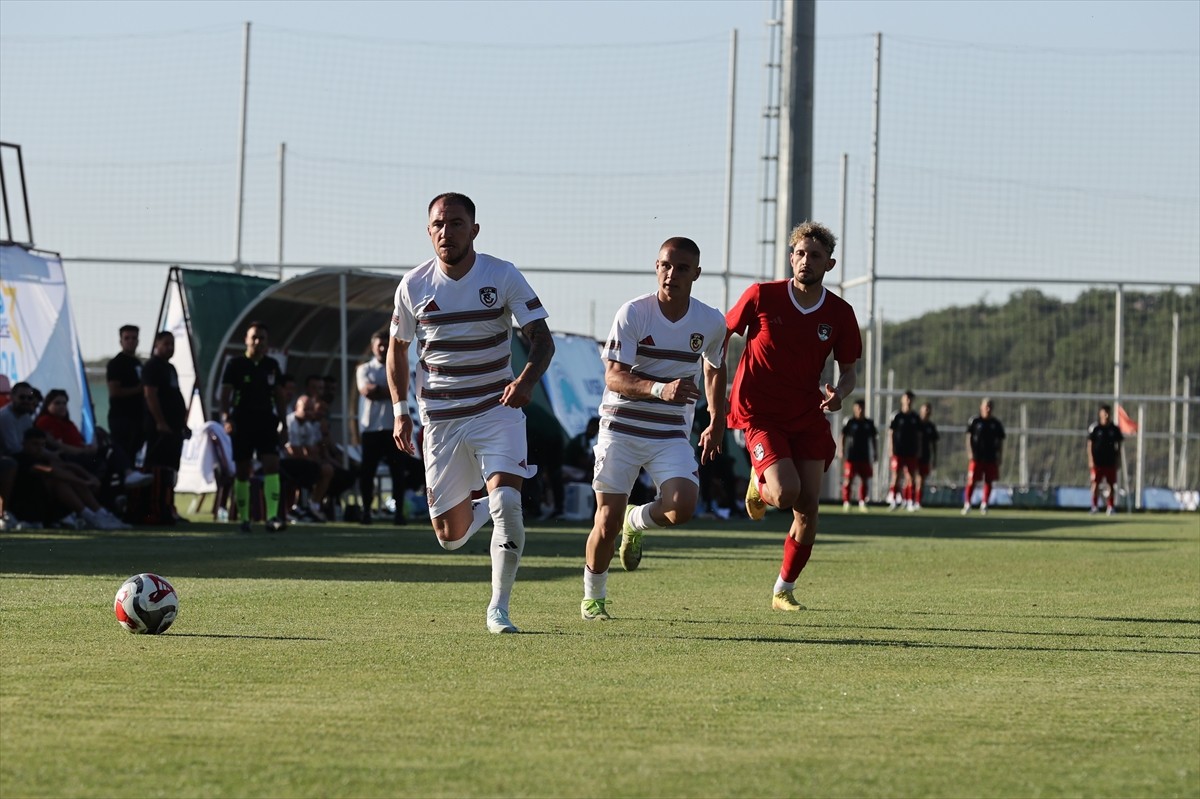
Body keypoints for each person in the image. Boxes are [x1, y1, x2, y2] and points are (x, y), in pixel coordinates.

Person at [386, 192, 555, 634]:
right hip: (440, 419)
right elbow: (397, 349)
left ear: (474, 230)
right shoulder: (413, 285)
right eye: (439, 224)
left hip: (496, 409)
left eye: (457, 223)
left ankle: (499, 608)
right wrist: (400, 410)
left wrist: (526, 382)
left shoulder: (501, 275)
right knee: (450, 537)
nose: (447, 232)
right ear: (429, 231)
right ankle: (484, 505)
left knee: (509, 504)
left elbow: (542, 339)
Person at [580, 236, 727, 622]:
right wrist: (661, 389)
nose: (671, 274)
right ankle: (594, 598)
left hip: (670, 433)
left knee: (683, 508)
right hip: (622, 428)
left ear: (696, 273)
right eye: (665, 265)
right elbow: (613, 377)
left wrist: (717, 419)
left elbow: (715, 366)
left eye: (682, 268)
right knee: (605, 522)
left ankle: (636, 520)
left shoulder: (710, 321)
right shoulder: (634, 313)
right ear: (656, 267)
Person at [726, 221, 862, 613]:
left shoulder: (840, 313)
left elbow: (849, 372)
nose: (806, 261)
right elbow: (723, 334)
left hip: (806, 414)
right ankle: (759, 484)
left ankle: (783, 589)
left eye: (815, 255)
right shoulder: (762, 296)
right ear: (791, 258)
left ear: (829, 264)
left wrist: (840, 394)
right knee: (785, 493)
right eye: (800, 253)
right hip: (760, 414)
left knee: (808, 510)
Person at [218, 321, 289, 533]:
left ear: (267, 342)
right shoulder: (235, 364)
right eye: (254, 337)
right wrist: (226, 418)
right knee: (242, 470)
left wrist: (284, 424)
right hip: (242, 421)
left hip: (266, 420)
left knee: (271, 465)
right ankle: (245, 518)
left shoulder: (272, 365)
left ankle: (272, 517)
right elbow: (225, 396)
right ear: (246, 340)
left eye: (262, 338)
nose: (258, 341)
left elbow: (279, 396)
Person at [356, 330, 418, 525]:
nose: (383, 348)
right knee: (367, 473)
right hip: (371, 429)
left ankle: (399, 513)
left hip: (393, 429)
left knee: (398, 473)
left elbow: (403, 389)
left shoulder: (398, 365)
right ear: (373, 347)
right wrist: (392, 390)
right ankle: (366, 511)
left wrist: (381, 390)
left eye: (386, 344)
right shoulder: (364, 369)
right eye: (379, 345)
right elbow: (367, 391)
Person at [142, 331, 191, 523]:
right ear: (157, 344)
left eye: (172, 344)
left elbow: (175, 395)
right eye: (166, 344)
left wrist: (183, 424)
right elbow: (150, 395)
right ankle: (155, 509)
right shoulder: (152, 366)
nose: (170, 348)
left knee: (171, 468)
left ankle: (169, 506)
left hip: (175, 427)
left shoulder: (170, 368)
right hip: (160, 429)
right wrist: (160, 421)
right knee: (158, 468)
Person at [106, 324, 146, 466]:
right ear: (121, 341)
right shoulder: (116, 364)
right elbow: (115, 391)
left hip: (137, 418)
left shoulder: (137, 363)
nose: (130, 341)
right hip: (122, 418)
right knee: (123, 455)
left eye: (134, 338)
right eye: (127, 338)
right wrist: (139, 389)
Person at [963, 397, 1005, 515]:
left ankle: (985, 504)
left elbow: (1000, 441)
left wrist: (999, 455)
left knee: (989, 481)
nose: (988, 409)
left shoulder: (996, 424)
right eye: (986, 406)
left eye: (990, 406)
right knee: (972, 480)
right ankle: (967, 503)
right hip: (977, 457)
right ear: (981, 407)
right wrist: (970, 452)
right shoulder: (975, 421)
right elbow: (968, 437)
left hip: (990, 456)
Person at [840, 399, 877, 513]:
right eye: (858, 408)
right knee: (848, 480)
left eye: (862, 408)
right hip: (851, 456)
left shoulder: (869, 423)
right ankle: (847, 502)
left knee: (865, 480)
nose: (860, 410)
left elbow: (873, 439)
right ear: (854, 409)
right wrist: (841, 450)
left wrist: (875, 452)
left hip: (864, 456)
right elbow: (843, 435)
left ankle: (862, 502)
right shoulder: (850, 422)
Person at [888, 390, 921, 511]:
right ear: (902, 400)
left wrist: (919, 449)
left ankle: (910, 501)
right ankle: (893, 500)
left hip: (911, 451)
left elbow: (919, 435)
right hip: (898, 451)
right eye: (906, 398)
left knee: (911, 477)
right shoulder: (896, 416)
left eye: (910, 399)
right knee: (896, 476)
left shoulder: (915, 417)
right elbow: (891, 433)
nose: (908, 401)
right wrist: (891, 448)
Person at [1087, 403, 1123, 515]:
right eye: (1104, 413)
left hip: (1110, 461)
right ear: (1100, 414)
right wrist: (1091, 459)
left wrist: (1118, 460)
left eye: (1108, 413)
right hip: (1097, 462)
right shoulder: (1095, 428)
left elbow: (1119, 446)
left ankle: (1110, 507)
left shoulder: (1114, 429)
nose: (1106, 415)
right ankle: (1094, 506)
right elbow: (1090, 445)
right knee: (1095, 483)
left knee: (1111, 484)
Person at [914, 402, 939, 510]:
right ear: (921, 411)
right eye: (925, 409)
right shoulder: (915, 424)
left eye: (929, 410)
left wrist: (934, 458)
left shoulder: (931, 426)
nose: (927, 412)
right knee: (910, 478)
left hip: (925, 456)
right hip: (913, 455)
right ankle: (907, 500)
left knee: (921, 479)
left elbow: (934, 444)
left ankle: (917, 501)